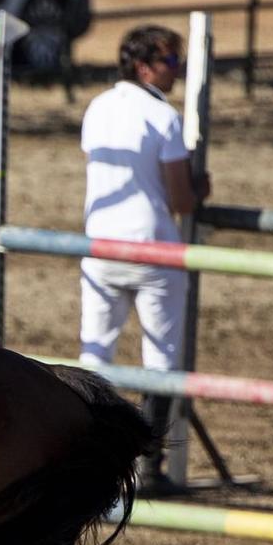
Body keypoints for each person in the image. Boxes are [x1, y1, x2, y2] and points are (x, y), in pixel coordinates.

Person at [78, 24, 208, 487]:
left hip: (99, 243)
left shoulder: (97, 107)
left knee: (95, 352)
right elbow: (182, 200)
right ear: (145, 66)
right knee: (162, 354)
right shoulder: (163, 116)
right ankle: (152, 466)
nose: (177, 71)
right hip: (152, 247)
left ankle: (88, 455)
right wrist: (198, 184)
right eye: (172, 62)